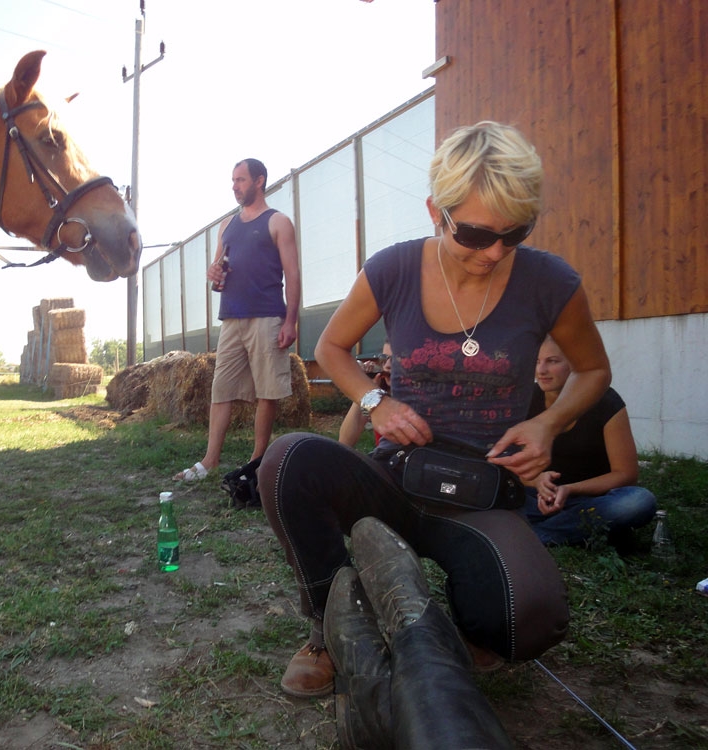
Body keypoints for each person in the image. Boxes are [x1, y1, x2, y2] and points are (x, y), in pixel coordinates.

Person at [258, 122, 611, 746]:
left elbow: (593, 369)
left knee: (530, 622)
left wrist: (547, 422)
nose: (495, 251)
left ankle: (452, 611)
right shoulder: (393, 268)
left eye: (515, 233)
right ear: (435, 210)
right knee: (288, 461)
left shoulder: (551, 281)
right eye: (475, 233)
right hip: (394, 478)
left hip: (484, 492)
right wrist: (375, 400)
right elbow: (332, 347)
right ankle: (330, 625)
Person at [173, 158, 301, 481]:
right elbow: (219, 275)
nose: (235, 186)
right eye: (233, 180)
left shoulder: (279, 222)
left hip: (268, 317)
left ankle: (257, 464)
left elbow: (293, 274)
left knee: (266, 392)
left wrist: (291, 320)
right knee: (221, 390)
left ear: (259, 181)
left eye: (241, 180)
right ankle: (209, 461)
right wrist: (213, 274)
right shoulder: (226, 225)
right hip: (231, 318)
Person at [522, 336, 657, 548]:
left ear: (574, 364)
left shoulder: (606, 403)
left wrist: (568, 490)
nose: (542, 370)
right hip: (534, 497)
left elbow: (626, 474)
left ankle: (539, 535)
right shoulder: (525, 399)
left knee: (639, 502)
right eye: (537, 361)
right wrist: (536, 480)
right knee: (489, 493)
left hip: (588, 500)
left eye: (553, 361)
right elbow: (504, 460)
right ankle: (578, 530)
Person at [338, 341, 392, 447]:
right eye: (385, 359)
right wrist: (365, 389)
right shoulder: (380, 394)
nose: (387, 365)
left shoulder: (423, 398)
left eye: (397, 359)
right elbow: (345, 442)